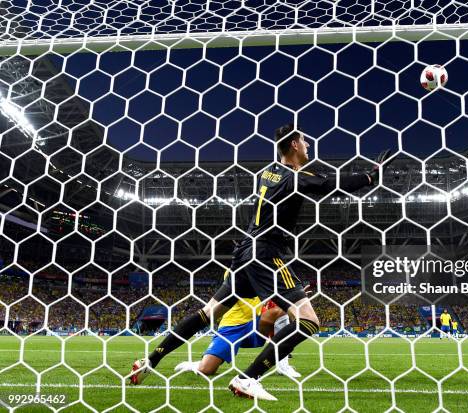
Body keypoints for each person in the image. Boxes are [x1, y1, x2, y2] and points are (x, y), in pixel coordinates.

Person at [129, 124, 390, 401]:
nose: (308, 146)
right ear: (293, 145)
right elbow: (332, 184)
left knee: (207, 313)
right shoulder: (294, 176)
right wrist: (371, 177)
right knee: (309, 321)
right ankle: (248, 378)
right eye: (305, 141)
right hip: (265, 253)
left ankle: (149, 361)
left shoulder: (269, 172)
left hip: (245, 251)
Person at [174, 296, 301, 379]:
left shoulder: (264, 272)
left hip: (253, 324)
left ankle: (282, 365)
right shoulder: (235, 271)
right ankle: (194, 365)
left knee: (281, 310)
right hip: (232, 326)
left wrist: (295, 296)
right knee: (206, 369)